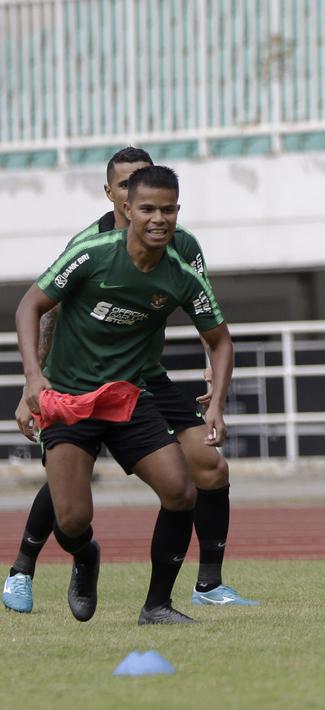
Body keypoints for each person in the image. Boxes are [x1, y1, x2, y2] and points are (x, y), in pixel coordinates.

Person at [4, 148, 257, 614]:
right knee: (72, 514)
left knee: (192, 481)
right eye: (144, 204)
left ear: (176, 208)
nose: (157, 216)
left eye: (167, 207)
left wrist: (216, 400)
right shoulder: (89, 251)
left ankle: (174, 599)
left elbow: (219, 337)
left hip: (133, 387)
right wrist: (33, 382)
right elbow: (37, 307)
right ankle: (50, 561)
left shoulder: (182, 263)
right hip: (70, 393)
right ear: (121, 202)